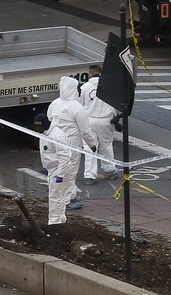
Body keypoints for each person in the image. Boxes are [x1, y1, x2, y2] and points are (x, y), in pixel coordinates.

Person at [47, 76, 97, 210]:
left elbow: (49, 118)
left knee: (58, 170)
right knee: (70, 171)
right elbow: (85, 130)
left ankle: (67, 195)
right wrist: (91, 144)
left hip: (55, 141)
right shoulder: (77, 107)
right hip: (71, 143)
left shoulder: (55, 103)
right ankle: (67, 199)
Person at [79, 65, 119, 185]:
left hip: (89, 120)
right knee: (106, 146)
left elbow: (80, 104)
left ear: (91, 73)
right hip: (106, 120)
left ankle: (89, 176)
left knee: (90, 147)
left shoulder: (85, 87)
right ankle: (110, 169)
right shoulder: (110, 86)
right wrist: (117, 116)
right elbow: (116, 103)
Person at [35, 113, 72, 225]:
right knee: (59, 195)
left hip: (59, 169)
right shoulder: (45, 133)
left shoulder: (57, 136)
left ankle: (54, 222)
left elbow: (64, 157)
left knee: (55, 196)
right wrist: (46, 167)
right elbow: (46, 152)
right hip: (53, 168)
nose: (37, 129)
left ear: (45, 125)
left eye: (39, 126)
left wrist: (60, 174)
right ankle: (60, 219)